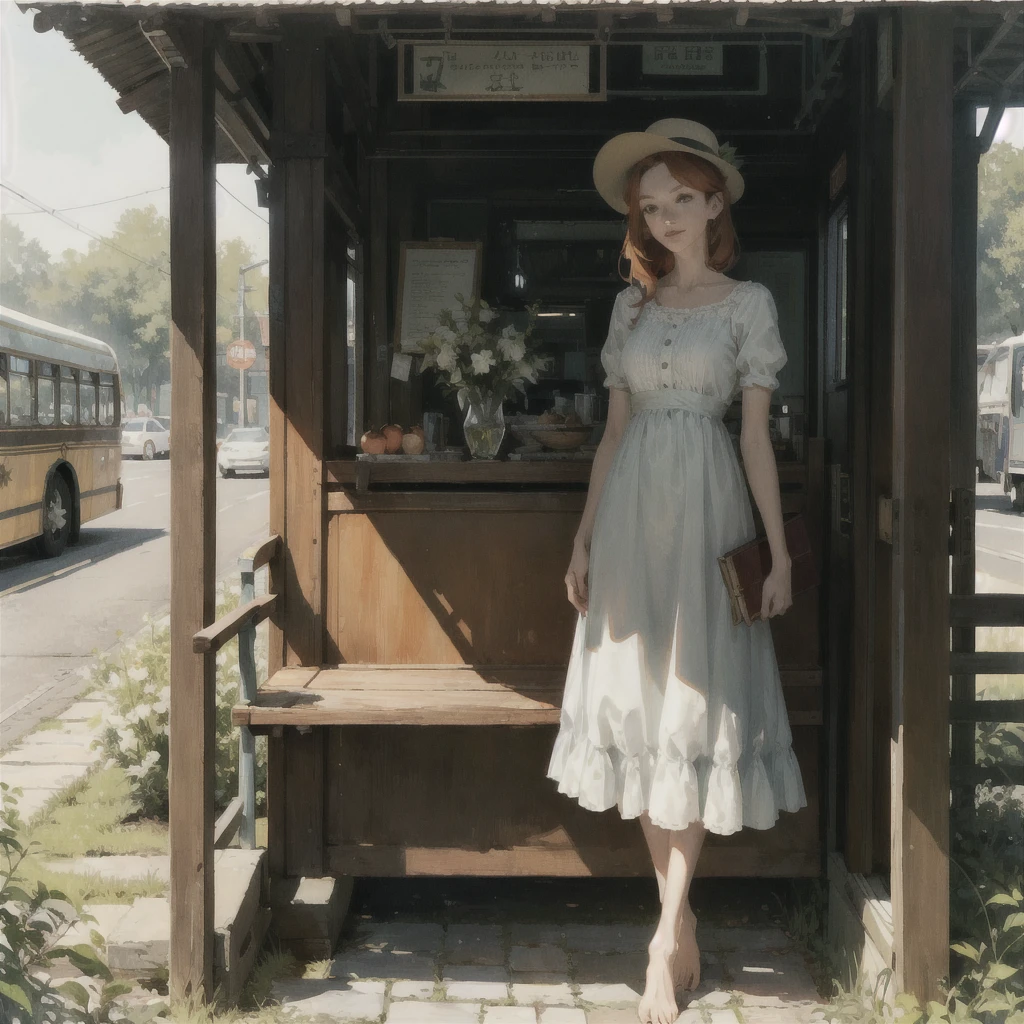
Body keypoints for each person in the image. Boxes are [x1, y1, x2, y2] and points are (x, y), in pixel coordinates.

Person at [546, 119, 808, 1024]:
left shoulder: (749, 305)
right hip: (628, 529)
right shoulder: (631, 307)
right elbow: (612, 436)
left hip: (708, 516)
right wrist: (582, 540)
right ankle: (679, 917)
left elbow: (755, 438)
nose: (663, 219)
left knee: (692, 710)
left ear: (715, 202)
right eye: (650, 206)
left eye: (679, 202)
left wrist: (775, 551)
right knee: (641, 712)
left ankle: (663, 939)